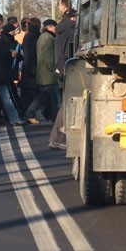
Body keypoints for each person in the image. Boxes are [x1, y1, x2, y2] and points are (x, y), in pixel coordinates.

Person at [50, 8, 77, 149]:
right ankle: (59, 138)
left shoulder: (60, 30)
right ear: (73, 18)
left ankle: (56, 138)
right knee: (68, 104)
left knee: (66, 103)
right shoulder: (72, 31)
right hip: (71, 67)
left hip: (62, 67)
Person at [25, 19, 59, 125]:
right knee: (55, 99)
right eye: (55, 27)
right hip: (48, 75)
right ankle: (56, 118)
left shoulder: (43, 37)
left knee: (41, 97)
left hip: (43, 74)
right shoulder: (48, 39)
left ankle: (29, 113)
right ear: (50, 27)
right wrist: (56, 70)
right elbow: (49, 58)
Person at [18, 17, 41, 117]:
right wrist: (33, 70)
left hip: (28, 70)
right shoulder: (34, 36)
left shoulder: (29, 36)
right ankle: (28, 115)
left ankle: (27, 114)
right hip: (32, 70)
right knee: (31, 94)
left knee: (28, 95)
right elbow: (30, 55)